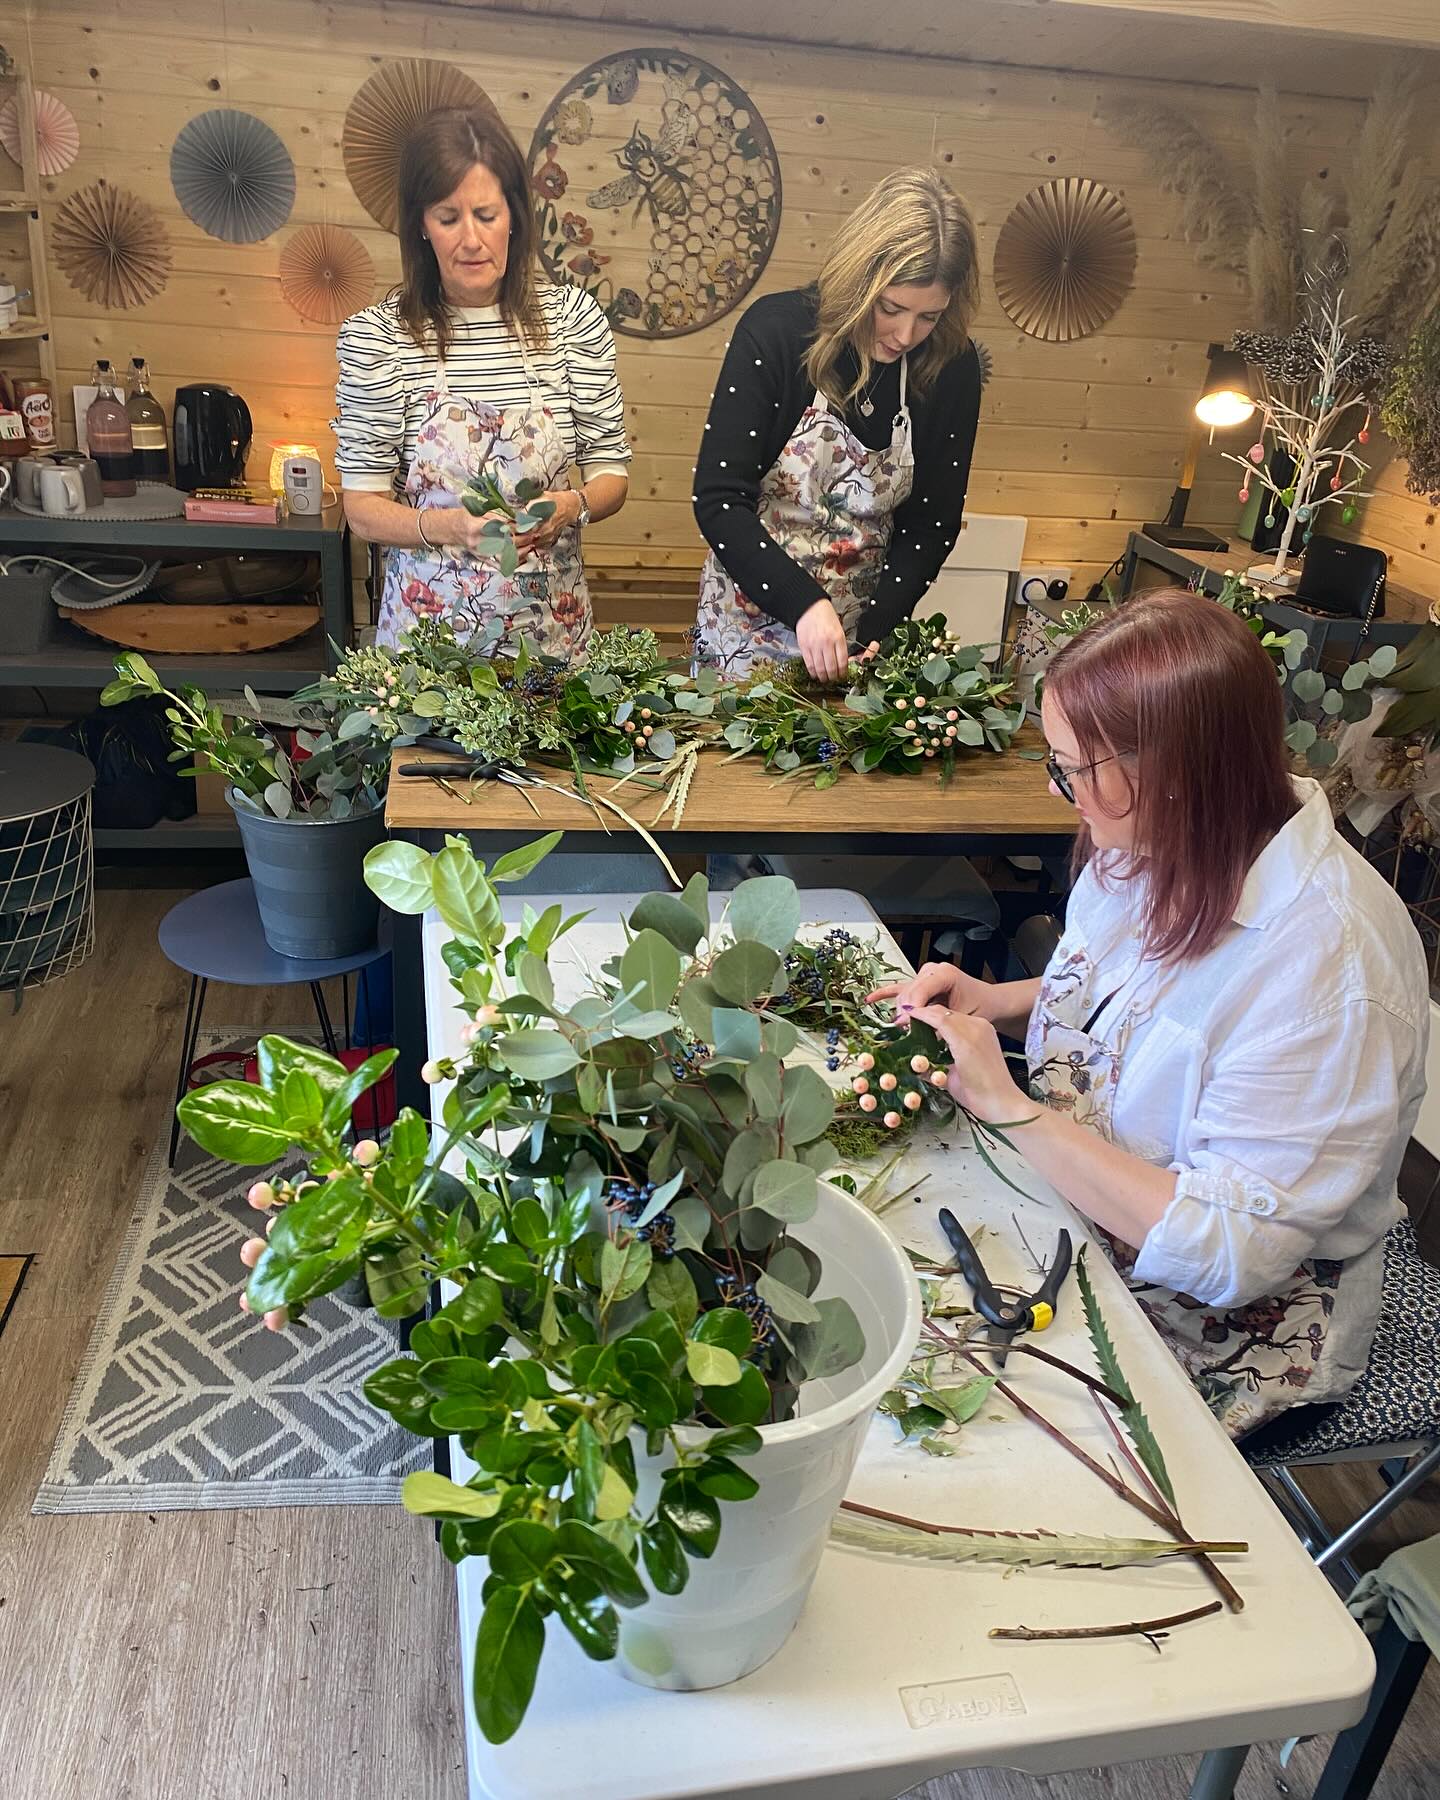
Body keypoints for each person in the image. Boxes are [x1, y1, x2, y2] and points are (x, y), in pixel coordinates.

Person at [872, 589, 1428, 1437]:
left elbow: (1232, 1252)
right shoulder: (1157, 839)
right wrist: (999, 1003)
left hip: (1233, 1328)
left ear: (1176, 771)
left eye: (1075, 768)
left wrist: (1014, 1112)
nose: (1064, 794)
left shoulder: (1328, 968)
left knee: (963, 1426)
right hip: (1079, 1205)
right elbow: (1128, 1017)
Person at [335, 107, 630, 655]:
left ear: (515, 216)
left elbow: (612, 475)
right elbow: (362, 507)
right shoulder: (379, 338)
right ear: (421, 225)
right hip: (428, 657)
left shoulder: (572, 322)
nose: (470, 239)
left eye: (486, 214)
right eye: (448, 218)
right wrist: (454, 527)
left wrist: (571, 507)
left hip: (552, 647)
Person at [690, 167, 982, 682]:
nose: (905, 334)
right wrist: (805, 604)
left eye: (929, 316)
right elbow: (718, 498)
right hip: (743, 636)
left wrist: (874, 628)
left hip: (862, 639)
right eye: (890, 308)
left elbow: (931, 524)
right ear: (859, 277)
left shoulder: (951, 371)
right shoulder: (776, 334)